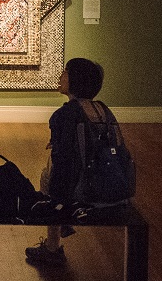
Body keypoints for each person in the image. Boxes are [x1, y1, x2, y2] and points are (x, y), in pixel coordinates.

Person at [25, 57, 117, 266]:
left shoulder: (64, 115)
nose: (60, 76)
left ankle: (52, 247)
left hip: (82, 189)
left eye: (65, 72)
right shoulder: (103, 110)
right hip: (110, 184)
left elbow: (63, 164)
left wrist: (58, 204)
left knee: (48, 172)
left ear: (75, 79)